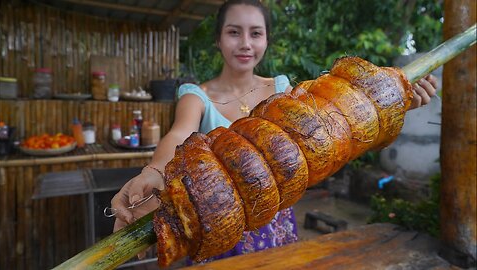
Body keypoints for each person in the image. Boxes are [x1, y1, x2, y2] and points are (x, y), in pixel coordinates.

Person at [111, 0, 438, 264]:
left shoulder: (282, 90)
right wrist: (154, 171)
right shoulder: (197, 94)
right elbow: (180, 135)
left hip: (275, 222)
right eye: (233, 32)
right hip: (218, 225)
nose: (245, 43)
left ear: (267, 40)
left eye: (255, 33)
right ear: (218, 39)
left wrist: (393, 101)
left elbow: (329, 128)